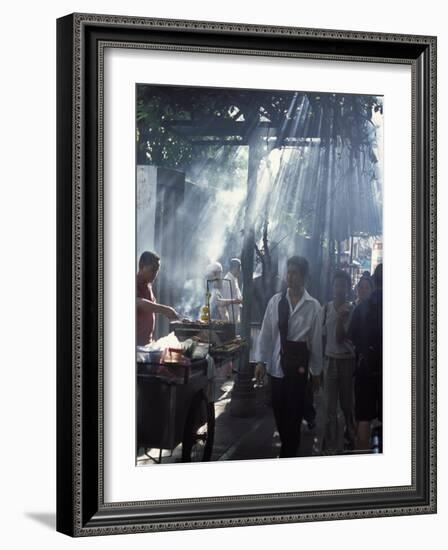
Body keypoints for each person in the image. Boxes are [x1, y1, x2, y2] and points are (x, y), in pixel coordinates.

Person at [254, 256, 322, 458]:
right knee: (280, 413)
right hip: (276, 368)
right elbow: (266, 333)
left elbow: (316, 342)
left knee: (293, 416)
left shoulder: (313, 307)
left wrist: (316, 373)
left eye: (295, 273)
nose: (290, 277)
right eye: (288, 272)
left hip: (299, 370)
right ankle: (288, 447)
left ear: (304, 277)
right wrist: (261, 361)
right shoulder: (276, 302)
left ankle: (288, 454)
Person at [320, 270, 356, 453]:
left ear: (348, 288)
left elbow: (341, 338)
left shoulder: (352, 309)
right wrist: (321, 364)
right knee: (329, 408)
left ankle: (350, 438)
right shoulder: (325, 308)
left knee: (347, 405)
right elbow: (322, 337)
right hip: (329, 361)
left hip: (347, 363)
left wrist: (342, 317)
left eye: (343, 285)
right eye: (336, 285)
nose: (339, 288)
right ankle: (330, 446)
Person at [348, 263, 383, 451]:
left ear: (374, 282)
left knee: (363, 418)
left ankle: (362, 457)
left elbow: (351, 336)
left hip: (364, 369)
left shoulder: (361, 308)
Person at [136, 251, 179, 345]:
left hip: (147, 344)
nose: (155, 274)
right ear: (142, 266)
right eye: (153, 269)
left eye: (157, 270)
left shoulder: (149, 286)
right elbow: (138, 303)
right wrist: (166, 310)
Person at [222, 258, 243, 324]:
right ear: (236, 267)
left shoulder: (234, 279)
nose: (240, 270)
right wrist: (239, 301)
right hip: (230, 319)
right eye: (240, 268)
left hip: (235, 316)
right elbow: (226, 300)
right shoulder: (228, 280)